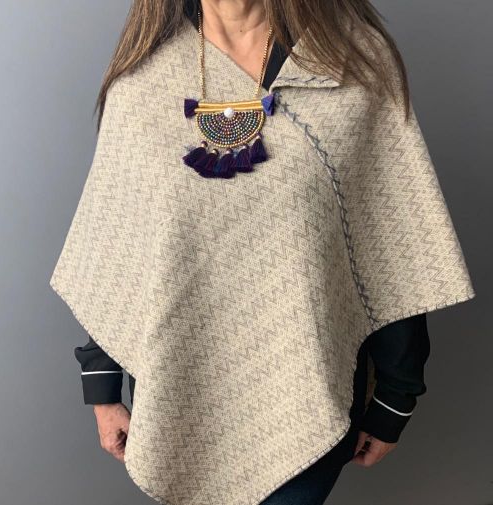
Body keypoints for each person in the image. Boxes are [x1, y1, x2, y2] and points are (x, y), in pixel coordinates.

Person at [50, 0, 475, 503]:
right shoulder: (144, 82)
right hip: (177, 394)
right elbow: (120, 247)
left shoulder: (354, 66)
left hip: (306, 394)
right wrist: (102, 386)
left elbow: (391, 241)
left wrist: (395, 397)